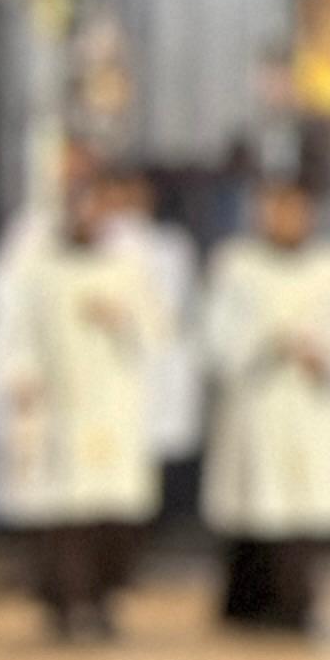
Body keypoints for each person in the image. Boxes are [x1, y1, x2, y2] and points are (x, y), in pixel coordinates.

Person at [0, 151, 167, 640]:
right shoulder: (37, 266)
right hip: (62, 405)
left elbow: (160, 331)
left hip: (112, 404)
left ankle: (105, 598)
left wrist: (123, 318)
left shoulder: (130, 266)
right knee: (63, 511)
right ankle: (66, 602)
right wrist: (20, 376)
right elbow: (15, 330)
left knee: (111, 510)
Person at [199, 167, 330, 633]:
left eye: (294, 209)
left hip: (312, 406)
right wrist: (267, 343)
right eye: (275, 208)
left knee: (302, 513)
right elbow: (215, 336)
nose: (285, 218)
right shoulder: (236, 265)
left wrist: (328, 357)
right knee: (256, 508)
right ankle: (249, 605)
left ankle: (298, 604)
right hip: (259, 406)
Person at [118, 168, 208, 544]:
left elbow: (180, 308)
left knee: (156, 462)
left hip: (160, 364)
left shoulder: (171, 247)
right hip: (111, 372)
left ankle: (158, 530)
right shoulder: (99, 249)